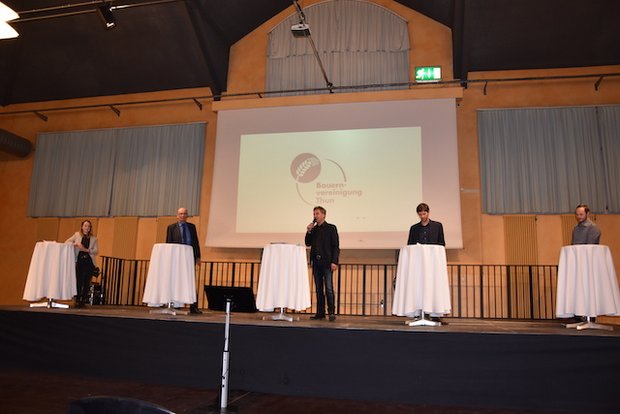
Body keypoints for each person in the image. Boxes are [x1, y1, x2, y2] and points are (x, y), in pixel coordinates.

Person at [305, 206, 340, 321]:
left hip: (327, 263)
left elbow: (335, 246)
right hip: (316, 263)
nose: (315, 216)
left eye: (317, 213)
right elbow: (308, 243)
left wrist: (334, 261)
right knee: (318, 289)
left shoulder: (331, 228)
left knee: (328, 288)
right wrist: (309, 231)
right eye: (314, 214)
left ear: (324, 215)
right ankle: (320, 313)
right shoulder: (314, 230)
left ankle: (331, 312)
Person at [166, 207, 202, 314]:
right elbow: (168, 243)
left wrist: (198, 256)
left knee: (190, 282)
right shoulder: (171, 227)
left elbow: (195, 242)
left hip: (189, 257)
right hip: (176, 259)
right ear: (177, 216)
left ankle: (193, 307)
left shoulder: (192, 227)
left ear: (187, 215)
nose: (183, 215)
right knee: (177, 281)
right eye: (181, 214)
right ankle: (177, 305)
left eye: (185, 213)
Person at [66, 220, 99, 308]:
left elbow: (96, 250)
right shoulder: (77, 235)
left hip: (89, 261)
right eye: (85, 226)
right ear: (82, 227)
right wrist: (76, 244)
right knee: (79, 280)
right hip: (79, 260)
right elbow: (67, 242)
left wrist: (87, 250)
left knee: (86, 281)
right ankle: (77, 298)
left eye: (88, 226)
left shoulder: (93, 238)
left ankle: (83, 299)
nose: (87, 228)